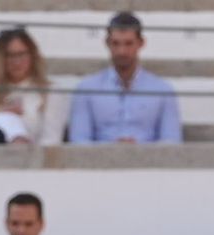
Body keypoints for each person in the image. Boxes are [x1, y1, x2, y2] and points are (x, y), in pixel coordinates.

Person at [68, 12, 181, 144]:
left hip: (147, 157)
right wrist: (112, 148)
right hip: (101, 157)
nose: (122, 51)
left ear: (141, 43)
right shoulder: (86, 89)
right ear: (107, 43)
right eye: (116, 43)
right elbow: (79, 140)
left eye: (128, 43)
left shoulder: (163, 90)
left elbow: (172, 140)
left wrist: (138, 149)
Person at [0, 27, 68, 146]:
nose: (16, 62)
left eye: (21, 54)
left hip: (36, 155)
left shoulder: (50, 92)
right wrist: (3, 115)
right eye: (10, 55)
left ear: (32, 56)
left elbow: (52, 139)